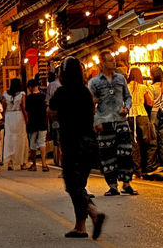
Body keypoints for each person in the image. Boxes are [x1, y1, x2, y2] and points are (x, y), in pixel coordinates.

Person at [48, 57, 106, 240]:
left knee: (72, 185)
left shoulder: (62, 92)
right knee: (79, 185)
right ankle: (80, 226)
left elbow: (51, 112)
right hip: (90, 144)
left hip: (73, 143)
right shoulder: (85, 92)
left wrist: (61, 116)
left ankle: (93, 212)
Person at [87, 50, 137, 196]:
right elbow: (91, 104)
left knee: (126, 153)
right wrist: (96, 121)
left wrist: (126, 108)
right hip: (105, 122)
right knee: (108, 155)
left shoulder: (121, 79)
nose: (113, 62)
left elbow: (128, 97)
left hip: (121, 121)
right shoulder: (94, 82)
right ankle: (113, 185)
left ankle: (126, 183)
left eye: (113, 60)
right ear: (102, 63)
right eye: (109, 60)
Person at [127, 68, 153, 177]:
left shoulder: (126, 87)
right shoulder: (143, 87)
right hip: (142, 115)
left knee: (134, 144)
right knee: (148, 142)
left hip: (130, 117)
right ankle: (147, 169)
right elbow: (150, 102)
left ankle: (136, 171)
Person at [2, 77, 28, 170]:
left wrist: (3, 118)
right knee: (21, 138)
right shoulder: (22, 94)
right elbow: (23, 107)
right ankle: (22, 163)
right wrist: (26, 118)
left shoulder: (5, 94)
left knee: (9, 138)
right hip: (18, 116)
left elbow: (3, 108)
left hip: (9, 116)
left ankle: (10, 162)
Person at [26, 78, 49, 171]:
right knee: (42, 142)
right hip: (42, 122)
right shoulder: (43, 96)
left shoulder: (29, 98)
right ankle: (44, 164)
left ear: (30, 87)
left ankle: (34, 164)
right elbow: (46, 110)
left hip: (32, 123)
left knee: (32, 144)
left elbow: (27, 111)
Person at [148, 65, 163, 173]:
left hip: (154, 112)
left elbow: (150, 101)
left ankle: (153, 164)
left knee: (153, 139)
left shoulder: (152, 88)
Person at [46, 70, 62, 167]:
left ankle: (61, 163)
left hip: (57, 118)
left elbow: (48, 102)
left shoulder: (52, 85)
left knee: (60, 142)